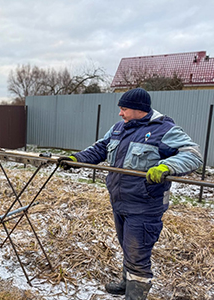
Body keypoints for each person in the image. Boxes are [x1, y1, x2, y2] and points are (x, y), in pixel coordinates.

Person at [58, 88, 202, 300]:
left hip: (144, 205)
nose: (120, 113)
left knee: (137, 253)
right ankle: (127, 284)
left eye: (124, 109)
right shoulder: (119, 128)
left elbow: (193, 154)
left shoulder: (164, 130)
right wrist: (77, 159)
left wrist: (166, 167)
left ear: (139, 109)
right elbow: (101, 148)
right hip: (120, 202)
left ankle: (135, 295)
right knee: (128, 246)